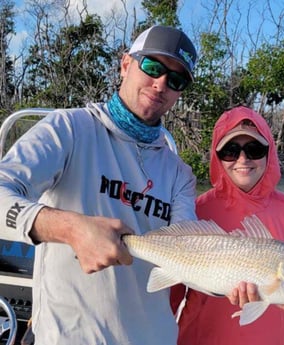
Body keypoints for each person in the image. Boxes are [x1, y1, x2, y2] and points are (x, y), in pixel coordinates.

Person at [0, 25, 199, 345]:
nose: (161, 83)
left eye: (175, 80)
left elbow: (186, 249)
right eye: (152, 67)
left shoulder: (181, 174)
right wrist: (69, 228)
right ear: (125, 64)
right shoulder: (68, 129)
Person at [171, 106, 284, 344]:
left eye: (254, 149)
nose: (243, 159)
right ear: (216, 155)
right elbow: (170, 296)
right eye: (230, 151)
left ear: (268, 152)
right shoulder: (193, 211)